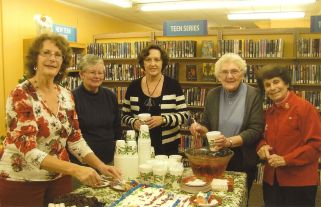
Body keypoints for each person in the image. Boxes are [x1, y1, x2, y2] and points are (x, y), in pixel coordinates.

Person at [0, 33, 121, 207]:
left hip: (59, 180)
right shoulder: (21, 94)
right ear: (35, 58)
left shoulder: (65, 95)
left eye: (58, 55)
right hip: (22, 181)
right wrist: (75, 169)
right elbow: (29, 150)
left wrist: (101, 166)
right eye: (46, 53)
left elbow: (75, 139)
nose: (52, 59)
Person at [190, 53, 264, 191]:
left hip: (241, 158)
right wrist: (200, 129)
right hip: (214, 157)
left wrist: (228, 142)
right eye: (224, 72)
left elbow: (255, 130)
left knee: (236, 197)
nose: (229, 76)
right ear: (218, 76)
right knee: (212, 195)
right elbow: (207, 124)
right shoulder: (212, 94)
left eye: (234, 71)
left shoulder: (254, 95)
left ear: (242, 74)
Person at [256, 65, 321, 207]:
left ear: (286, 83)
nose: (272, 88)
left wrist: (286, 159)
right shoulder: (269, 112)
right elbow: (262, 137)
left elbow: (316, 145)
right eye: (267, 85)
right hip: (271, 180)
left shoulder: (305, 108)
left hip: (299, 182)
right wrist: (262, 147)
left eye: (276, 82)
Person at [122, 44, 190, 155]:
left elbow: (185, 116)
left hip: (168, 149)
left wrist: (163, 120)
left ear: (162, 62)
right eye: (148, 59)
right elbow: (124, 115)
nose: (152, 64)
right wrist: (134, 122)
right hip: (139, 148)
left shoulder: (173, 86)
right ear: (142, 63)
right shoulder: (133, 86)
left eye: (157, 60)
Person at [71, 54, 121, 164]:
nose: (97, 76)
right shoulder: (72, 98)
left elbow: (117, 128)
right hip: (83, 163)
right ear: (81, 74)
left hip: (110, 160)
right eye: (93, 72)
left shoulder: (110, 96)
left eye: (100, 73)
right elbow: (72, 136)